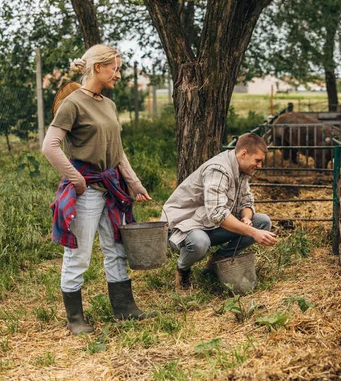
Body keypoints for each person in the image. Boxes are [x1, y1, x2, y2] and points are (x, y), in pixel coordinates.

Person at [42, 44, 153, 335]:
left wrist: (134, 181)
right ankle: (75, 319)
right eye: (114, 68)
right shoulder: (73, 103)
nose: (118, 73)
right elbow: (49, 146)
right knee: (79, 254)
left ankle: (124, 309)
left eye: (118, 68)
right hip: (87, 190)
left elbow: (117, 152)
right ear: (98, 68)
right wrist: (76, 179)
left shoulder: (109, 104)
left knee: (116, 247)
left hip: (112, 187)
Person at [162, 133, 277, 290]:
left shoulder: (242, 170)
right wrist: (252, 232)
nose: (260, 165)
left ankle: (216, 262)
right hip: (186, 225)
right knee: (200, 242)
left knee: (262, 222)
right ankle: (183, 270)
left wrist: (246, 218)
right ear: (244, 154)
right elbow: (217, 214)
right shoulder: (218, 170)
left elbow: (246, 201)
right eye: (258, 160)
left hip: (209, 223)